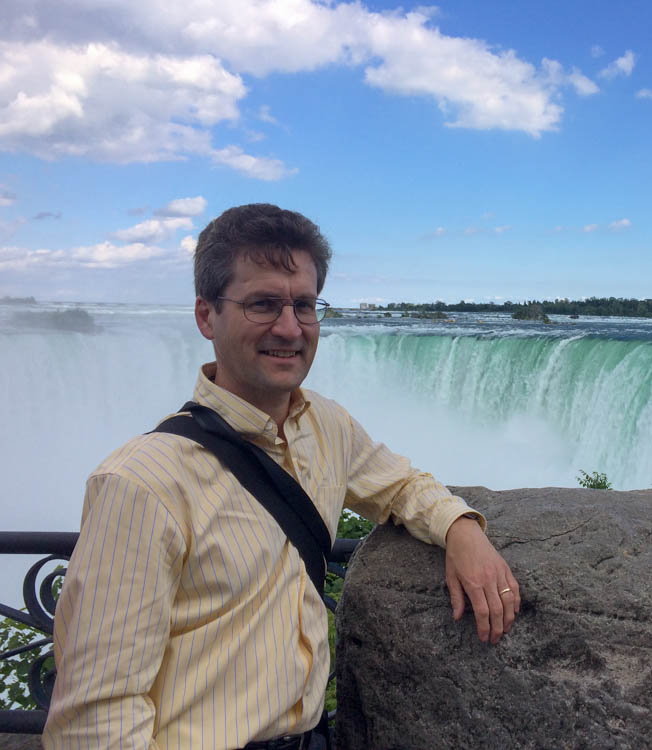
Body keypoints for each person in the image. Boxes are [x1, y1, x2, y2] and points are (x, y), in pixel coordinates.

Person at [43, 203, 521, 750]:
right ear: (206, 316)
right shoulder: (141, 484)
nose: (290, 328)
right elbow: (95, 720)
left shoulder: (325, 425)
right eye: (264, 304)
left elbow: (402, 485)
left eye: (304, 305)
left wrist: (462, 529)